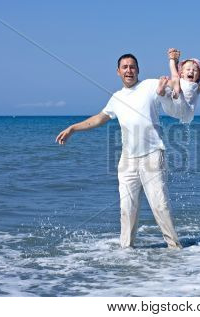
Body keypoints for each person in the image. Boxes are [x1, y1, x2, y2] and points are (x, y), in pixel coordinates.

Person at [55, 53, 182, 249]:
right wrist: (73, 128)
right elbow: (99, 118)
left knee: (160, 206)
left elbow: (175, 86)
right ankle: (126, 251)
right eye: (125, 67)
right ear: (118, 71)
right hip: (127, 160)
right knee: (127, 209)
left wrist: (176, 65)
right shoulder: (116, 97)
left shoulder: (149, 85)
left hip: (152, 155)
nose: (129, 70)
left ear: (138, 70)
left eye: (132, 67)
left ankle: (174, 248)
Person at [156, 48, 200, 123]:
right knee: (169, 90)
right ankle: (162, 92)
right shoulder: (179, 80)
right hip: (172, 107)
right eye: (188, 69)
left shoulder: (198, 86)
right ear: (182, 73)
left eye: (195, 70)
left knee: (175, 82)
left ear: (199, 76)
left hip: (185, 110)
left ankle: (172, 60)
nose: (191, 71)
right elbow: (176, 76)